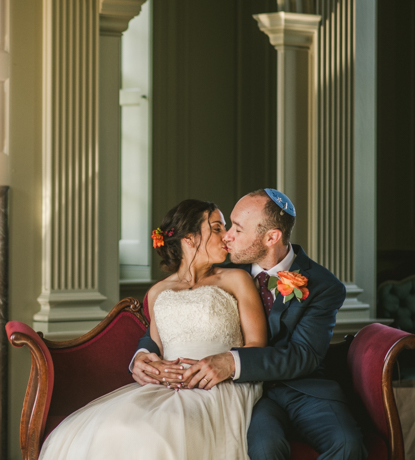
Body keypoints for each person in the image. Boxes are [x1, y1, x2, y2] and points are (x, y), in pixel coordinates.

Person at [132, 189, 366, 460]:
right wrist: (142, 355)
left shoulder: (323, 285)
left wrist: (232, 362)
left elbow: (304, 355)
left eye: (238, 229)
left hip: (304, 387)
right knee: (264, 449)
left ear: (271, 237)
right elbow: (172, 319)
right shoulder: (224, 269)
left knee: (347, 446)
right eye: (227, 225)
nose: (227, 236)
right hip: (250, 395)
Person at [39, 199, 267, 460]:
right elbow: (155, 348)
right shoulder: (158, 291)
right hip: (168, 387)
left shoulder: (237, 280)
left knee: (159, 433)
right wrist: (149, 365)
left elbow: (258, 345)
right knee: (113, 427)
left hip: (219, 385)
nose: (226, 236)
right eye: (216, 228)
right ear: (189, 239)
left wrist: (224, 365)